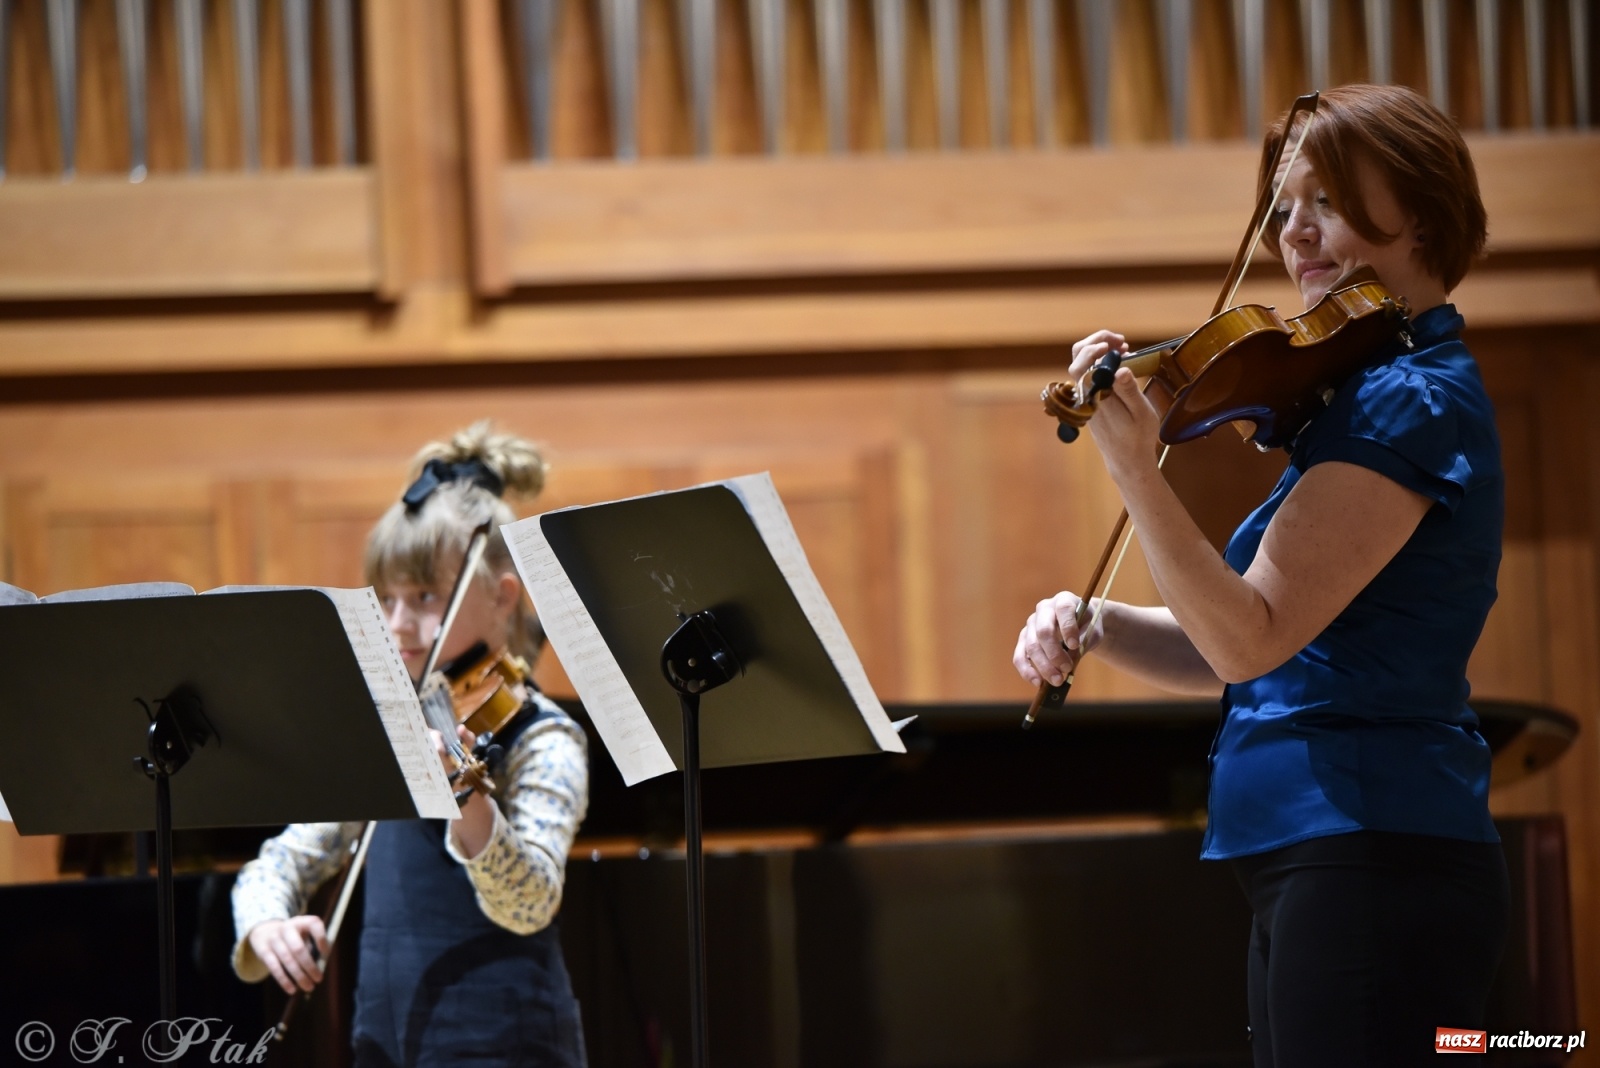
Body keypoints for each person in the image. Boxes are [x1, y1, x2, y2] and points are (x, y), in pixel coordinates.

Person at [1013, 84, 1507, 1067]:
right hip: (1314, 848)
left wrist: (1133, 470)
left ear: (1416, 208)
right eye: (1283, 209)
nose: (1293, 235)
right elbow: (1240, 654)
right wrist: (1099, 621)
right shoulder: (1354, 399)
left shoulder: (1409, 403)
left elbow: (1249, 634)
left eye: (1323, 201)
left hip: (1374, 846)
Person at [231, 422, 590, 1067]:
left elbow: (530, 900)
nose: (398, 625)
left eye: (424, 597)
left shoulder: (542, 736)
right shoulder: (388, 734)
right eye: (388, 599)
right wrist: (267, 923)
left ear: (502, 597)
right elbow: (280, 862)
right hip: (387, 1045)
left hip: (508, 1046)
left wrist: (466, 792)